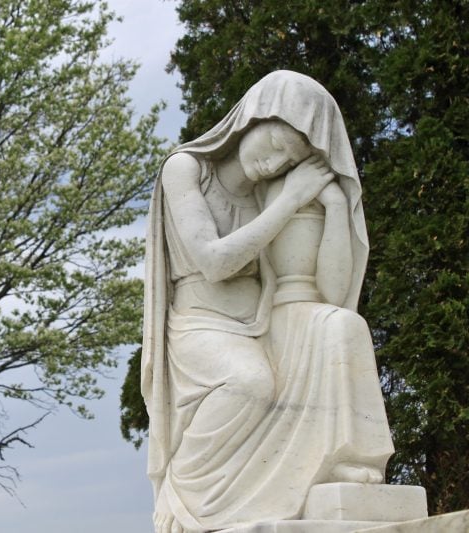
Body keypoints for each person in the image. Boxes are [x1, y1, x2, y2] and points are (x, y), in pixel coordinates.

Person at [142, 71, 394, 532]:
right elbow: (213, 262)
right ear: (253, 116)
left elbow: (329, 290)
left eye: (289, 161)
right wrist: (291, 197)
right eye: (277, 141)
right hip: (201, 325)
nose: (274, 161)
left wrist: (334, 206)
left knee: (340, 327)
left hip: (261, 321)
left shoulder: (269, 191)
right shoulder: (186, 169)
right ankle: (186, 497)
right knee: (250, 383)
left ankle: (337, 466)